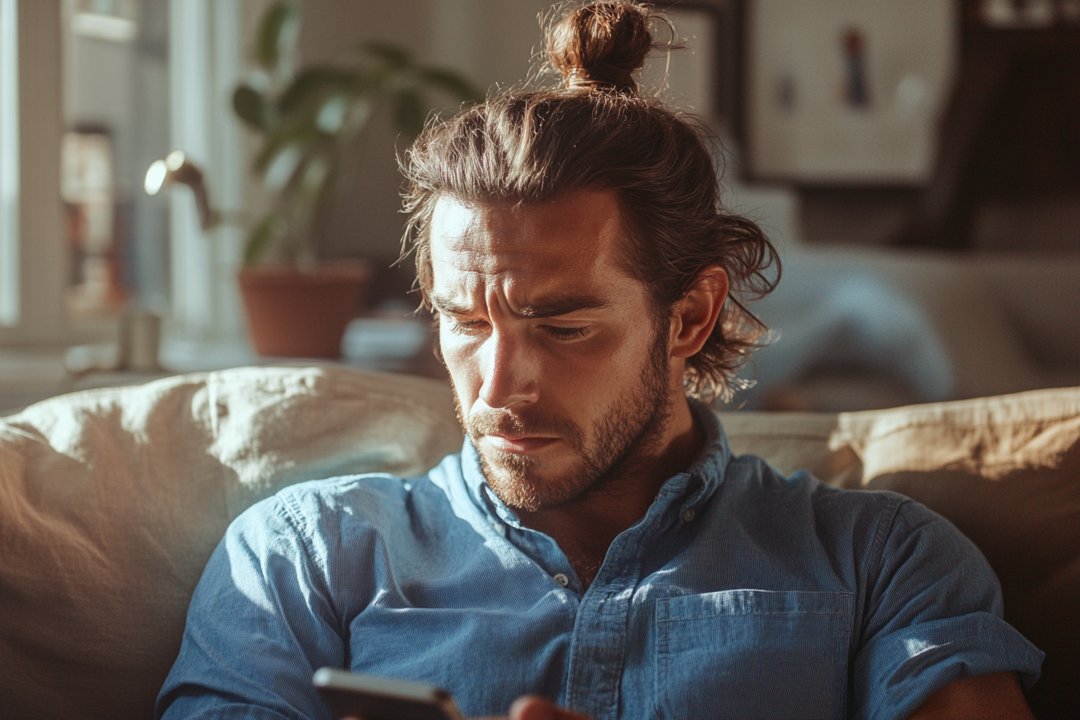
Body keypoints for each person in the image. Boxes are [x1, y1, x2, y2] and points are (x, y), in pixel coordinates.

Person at [157, 3, 1043, 718]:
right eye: (466, 322)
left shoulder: (879, 563)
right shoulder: (307, 559)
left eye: (564, 326)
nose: (497, 389)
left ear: (689, 315)